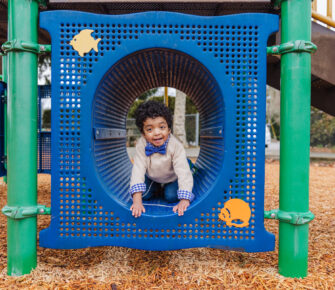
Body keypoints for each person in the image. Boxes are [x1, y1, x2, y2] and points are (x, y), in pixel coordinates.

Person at [129, 100, 194, 218]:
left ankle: (190, 166)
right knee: (143, 195)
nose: (157, 132)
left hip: (173, 176)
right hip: (153, 176)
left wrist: (185, 199)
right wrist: (137, 201)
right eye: (149, 129)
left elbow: (183, 173)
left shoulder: (175, 146)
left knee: (171, 196)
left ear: (169, 129)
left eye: (162, 127)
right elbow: (137, 170)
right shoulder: (141, 145)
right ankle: (157, 187)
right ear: (143, 134)